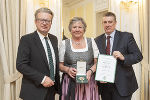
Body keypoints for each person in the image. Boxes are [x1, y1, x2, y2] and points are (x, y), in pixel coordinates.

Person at [95, 12, 143, 100]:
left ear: (115, 23)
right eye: (105, 22)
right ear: (102, 24)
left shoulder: (126, 36)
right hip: (104, 85)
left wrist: (123, 57)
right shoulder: (97, 40)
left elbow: (138, 56)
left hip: (123, 85)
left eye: (110, 22)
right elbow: (95, 61)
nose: (107, 25)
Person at [16, 7, 60, 100]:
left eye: (48, 20)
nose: (45, 23)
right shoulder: (26, 39)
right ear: (36, 21)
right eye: (42, 20)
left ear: (51, 23)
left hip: (51, 90)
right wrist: (43, 79)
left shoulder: (54, 39)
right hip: (34, 92)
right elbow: (21, 65)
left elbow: (54, 62)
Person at [59, 17, 100, 100]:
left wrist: (90, 71)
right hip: (70, 82)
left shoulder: (91, 41)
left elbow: (97, 62)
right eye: (74, 27)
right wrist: (67, 70)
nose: (77, 29)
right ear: (70, 29)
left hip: (89, 82)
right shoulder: (64, 44)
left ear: (84, 29)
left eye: (80, 27)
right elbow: (60, 65)